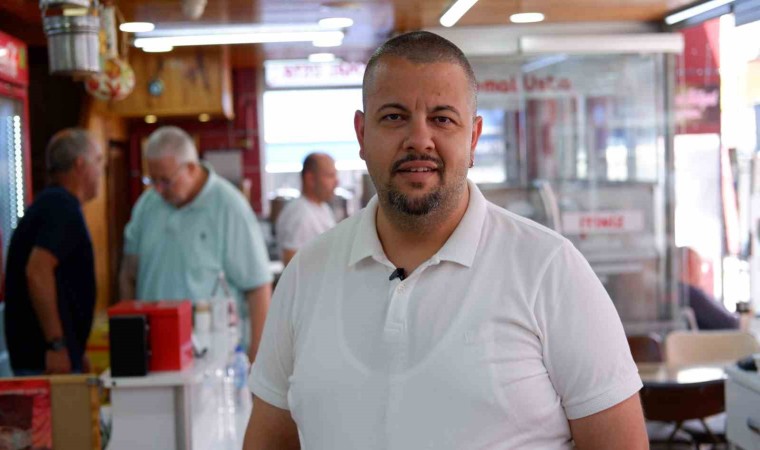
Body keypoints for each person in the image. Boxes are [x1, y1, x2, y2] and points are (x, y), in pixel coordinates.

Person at [244, 31, 647, 449]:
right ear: (362, 134)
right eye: (394, 117)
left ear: (473, 138)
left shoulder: (550, 269)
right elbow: (268, 440)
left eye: (442, 119)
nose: (419, 140)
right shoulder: (306, 274)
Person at [119, 126, 272, 362]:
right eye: (152, 180)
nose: (158, 189)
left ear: (191, 168)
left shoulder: (229, 206)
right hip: (154, 349)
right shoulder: (147, 205)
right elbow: (129, 274)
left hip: (213, 353)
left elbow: (258, 287)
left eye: (165, 181)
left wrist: (258, 360)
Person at [4, 129, 104, 375]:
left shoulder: (52, 203)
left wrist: (76, 347)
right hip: (44, 358)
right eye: (98, 161)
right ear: (80, 165)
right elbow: (37, 271)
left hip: (50, 353)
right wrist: (57, 344)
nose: (101, 171)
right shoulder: (60, 206)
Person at [276, 153, 338, 266]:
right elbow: (291, 263)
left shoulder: (323, 208)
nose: (336, 182)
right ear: (310, 179)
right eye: (330, 176)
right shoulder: (300, 213)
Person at [678, 246, 741, 330]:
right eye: (698, 263)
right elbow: (730, 323)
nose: (700, 271)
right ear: (688, 266)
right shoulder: (690, 293)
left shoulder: (683, 292)